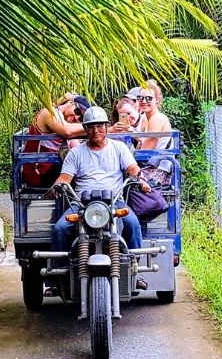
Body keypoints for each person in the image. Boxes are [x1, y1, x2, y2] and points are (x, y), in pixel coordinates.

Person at [50, 106, 151, 255]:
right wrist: (57, 187)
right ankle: (58, 274)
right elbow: (64, 178)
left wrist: (141, 179)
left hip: (115, 202)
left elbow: (132, 168)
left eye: (99, 126)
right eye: (91, 127)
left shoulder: (119, 148)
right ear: (85, 129)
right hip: (81, 204)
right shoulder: (75, 153)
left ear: (106, 126)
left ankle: (135, 271)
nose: (96, 130)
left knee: (133, 224)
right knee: (60, 229)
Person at [20, 95, 90, 187]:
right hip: (37, 173)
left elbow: (75, 146)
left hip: (50, 169)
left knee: (85, 167)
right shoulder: (49, 112)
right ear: (70, 103)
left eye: (81, 118)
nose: (77, 118)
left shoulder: (65, 121)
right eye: (77, 112)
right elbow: (67, 131)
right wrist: (99, 127)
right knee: (77, 171)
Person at [135, 79, 173, 150]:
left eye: (149, 98)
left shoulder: (157, 118)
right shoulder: (145, 118)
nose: (144, 101)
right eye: (140, 98)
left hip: (159, 160)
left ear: (157, 100)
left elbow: (146, 151)